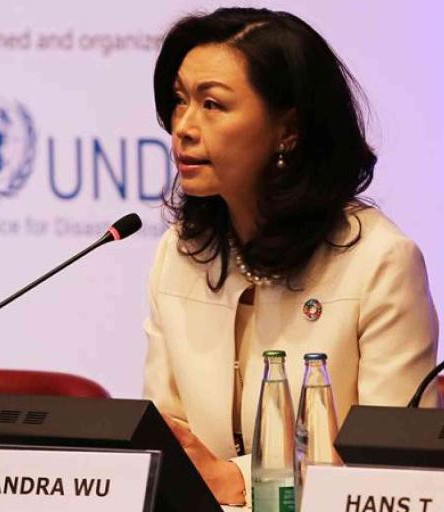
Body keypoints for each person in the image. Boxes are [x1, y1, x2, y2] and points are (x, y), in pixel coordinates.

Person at [143, 7, 439, 506]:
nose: (184, 127)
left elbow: (395, 467)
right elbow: (169, 437)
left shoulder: (380, 262)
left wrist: (239, 477)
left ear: (289, 130)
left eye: (212, 104)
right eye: (179, 101)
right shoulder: (180, 252)